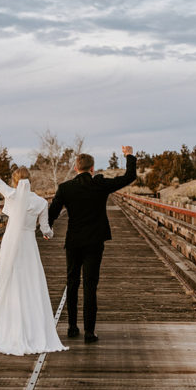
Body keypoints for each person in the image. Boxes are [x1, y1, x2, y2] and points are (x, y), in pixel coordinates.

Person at [0, 160, 67, 356]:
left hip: (10, 244)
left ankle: (10, 327)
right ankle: (33, 329)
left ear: (15, 182)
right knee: (31, 283)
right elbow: (45, 229)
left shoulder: (11, 195)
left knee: (10, 282)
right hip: (29, 244)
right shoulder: (40, 202)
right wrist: (50, 235)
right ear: (30, 181)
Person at [48, 146, 136, 343]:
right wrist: (129, 155)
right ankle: (89, 331)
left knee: (72, 283)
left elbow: (52, 213)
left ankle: (71, 327)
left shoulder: (65, 188)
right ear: (92, 168)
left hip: (73, 242)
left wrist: (45, 229)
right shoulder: (100, 185)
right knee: (90, 285)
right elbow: (129, 177)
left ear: (76, 168)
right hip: (94, 242)